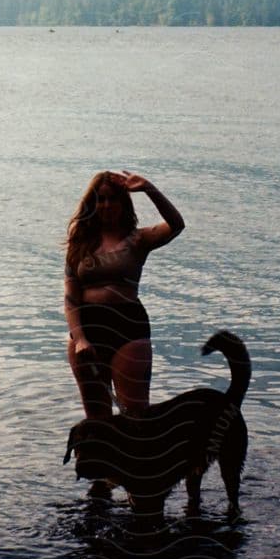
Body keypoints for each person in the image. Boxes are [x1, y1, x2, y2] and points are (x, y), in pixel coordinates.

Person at [64, 170, 184, 421]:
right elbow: (71, 298)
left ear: (123, 203)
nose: (107, 205)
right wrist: (80, 338)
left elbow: (176, 224)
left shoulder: (138, 239)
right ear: (92, 204)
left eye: (113, 199)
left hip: (127, 327)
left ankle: (139, 460)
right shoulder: (80, 241)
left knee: (136, 416)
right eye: (101, 199)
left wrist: (149, 188)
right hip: (88, 331)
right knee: (97, 420)